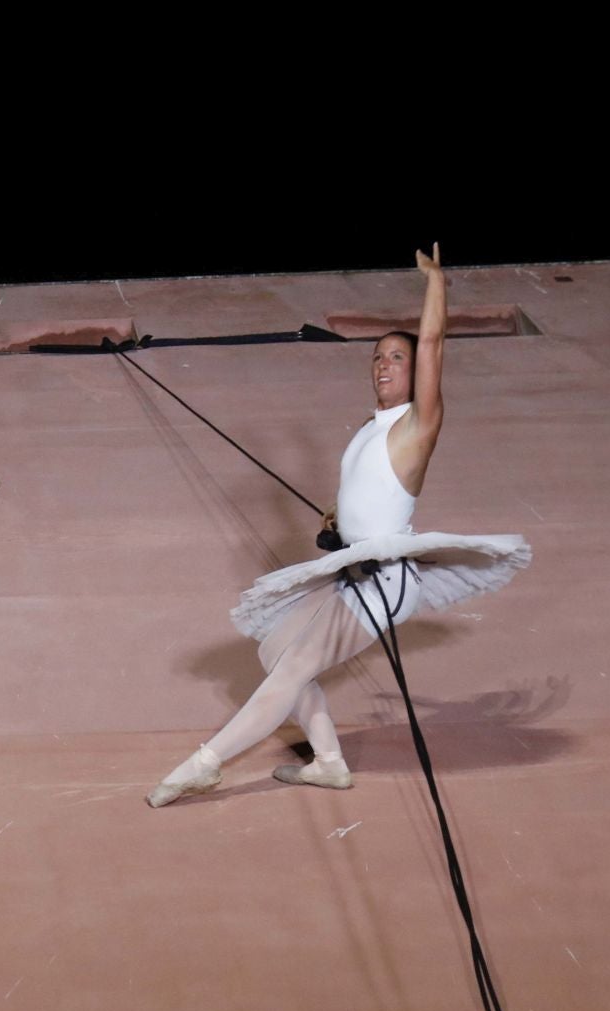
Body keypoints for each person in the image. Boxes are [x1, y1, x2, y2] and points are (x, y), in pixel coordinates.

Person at [149, 245, 529, 807]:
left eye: (396, 358)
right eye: (377, 356)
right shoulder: (370, 429)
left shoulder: (419, 424)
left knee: (291, 670)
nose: (383, 364)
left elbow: (434, 344)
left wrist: (436, 285)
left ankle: (205, 764)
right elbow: (367, 489)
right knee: (274, 650)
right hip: (353, 567)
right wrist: (338, 514)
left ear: (415, 371)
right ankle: (328, 762)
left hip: (385, 581)